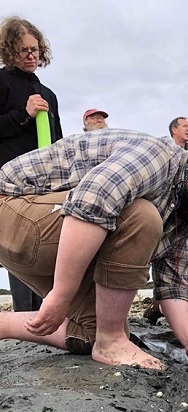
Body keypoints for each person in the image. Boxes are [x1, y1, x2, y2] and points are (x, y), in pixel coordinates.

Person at [0, 131, 188, 377]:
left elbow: (174, 288)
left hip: (49, 240)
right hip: (12, 208)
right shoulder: (157, 157)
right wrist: (61, 295)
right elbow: (91, 201)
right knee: (142, 216)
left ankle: (5, 324)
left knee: (92, 332)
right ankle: (111, 341)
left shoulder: (186, 218)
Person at [0, 15, 62, 313]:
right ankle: (25, 317)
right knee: (18, 245)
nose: (31, 56)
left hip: (44, 185)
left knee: (46, 242)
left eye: (35, 50)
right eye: (24, 50)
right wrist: (22, 114)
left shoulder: (49, 94)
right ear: (9, 51)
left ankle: (46, 315)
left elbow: (59, 143)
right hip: (9, 184)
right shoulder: (1, 82)